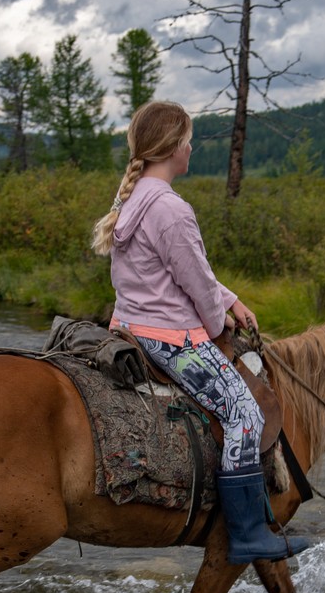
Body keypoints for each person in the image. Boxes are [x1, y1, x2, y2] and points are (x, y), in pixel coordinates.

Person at [90, 100, 309, 564]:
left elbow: (187, 272)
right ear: (173, 148)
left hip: (130, 326)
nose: (192, 149)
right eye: (189, 140)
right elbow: (195, 284)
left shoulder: (133, 200)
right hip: (172, 339)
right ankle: (249, 531)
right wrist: (218, 319)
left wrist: (229, 298)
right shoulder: (171, 209)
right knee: (245, 414)